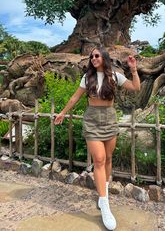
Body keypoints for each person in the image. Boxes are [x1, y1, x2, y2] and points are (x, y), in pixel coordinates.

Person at [54, 46, 140, 230]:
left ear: (104, 57)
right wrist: (62, 113)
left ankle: (104, 194)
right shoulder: (87, 77)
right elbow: (75, 98)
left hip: (109, 118)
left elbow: (136, 87)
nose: (93, 58)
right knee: (99, 159)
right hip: (92, 119)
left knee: (108, 159)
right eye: (91, 56)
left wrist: (133, 70)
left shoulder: (115, 76)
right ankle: (105, 205)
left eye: (97, 55)